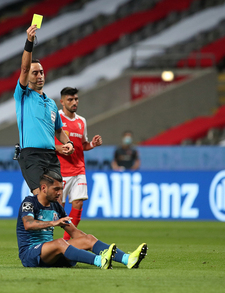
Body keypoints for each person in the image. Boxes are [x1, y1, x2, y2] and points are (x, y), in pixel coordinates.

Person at [16, 169, 148, 269]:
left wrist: (89, 242)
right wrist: (53, 222)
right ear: (43, 188)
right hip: (31, 254)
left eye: (61, 189)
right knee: (61, 242)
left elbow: (75, 233)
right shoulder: (29, 202)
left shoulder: (56, 206)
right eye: (56, 189)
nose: (59, 193)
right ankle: (100, 261)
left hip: (50, 254)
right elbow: (28, 224)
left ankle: (128, 259)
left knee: (88, 238)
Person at [15, 25, 74, 196]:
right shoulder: (23, 95)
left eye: (41, 72)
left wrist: (68, 143)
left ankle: (43, 223)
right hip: (31, 156)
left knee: (56, 196)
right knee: (42, 196)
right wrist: (29, 41)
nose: (39, 75)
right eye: (35, 73)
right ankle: (28, 222)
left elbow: (59, 131)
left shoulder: (51, 103)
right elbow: (24, 68)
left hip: (51, 157)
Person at [55, 87, 102, 241]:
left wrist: (92, 144)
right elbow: (48, 142)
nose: (74, 102)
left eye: (76, 99)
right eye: (70, 99)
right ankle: (47, 240)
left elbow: (83, 145)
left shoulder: (82, 121)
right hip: (60, 170)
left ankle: (66, 240)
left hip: (79, 169)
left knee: (78, 203)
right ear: (62, 102)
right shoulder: (56, 118)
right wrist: (60, 149)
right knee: (58, 209)